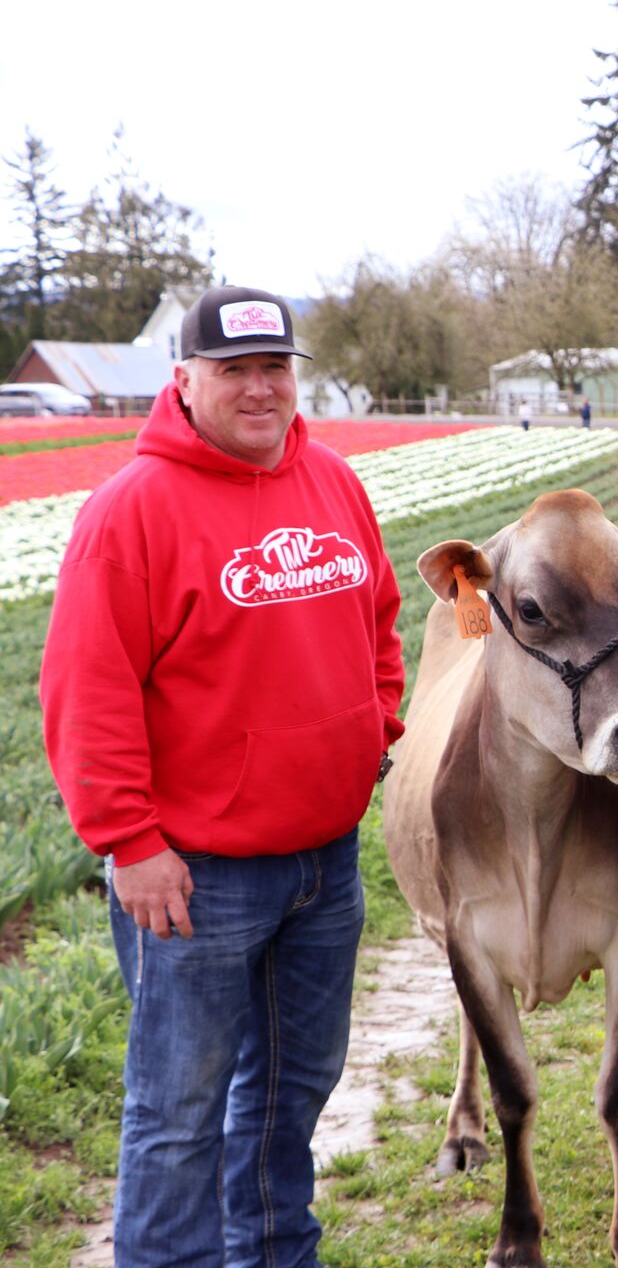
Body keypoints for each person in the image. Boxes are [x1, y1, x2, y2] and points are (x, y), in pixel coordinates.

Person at [40, 285, 404, 1267]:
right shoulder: (133, 510)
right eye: (232, 369)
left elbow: (378, 618)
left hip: (325, 863)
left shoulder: (331, 480)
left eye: (273, 367)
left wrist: (378, 730)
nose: (257, 388)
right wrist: (128, 840)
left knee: (293, 1090)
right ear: (184, 380)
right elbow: (88, 687)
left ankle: (276, 1251)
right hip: (196, 877)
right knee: (179, 1109)